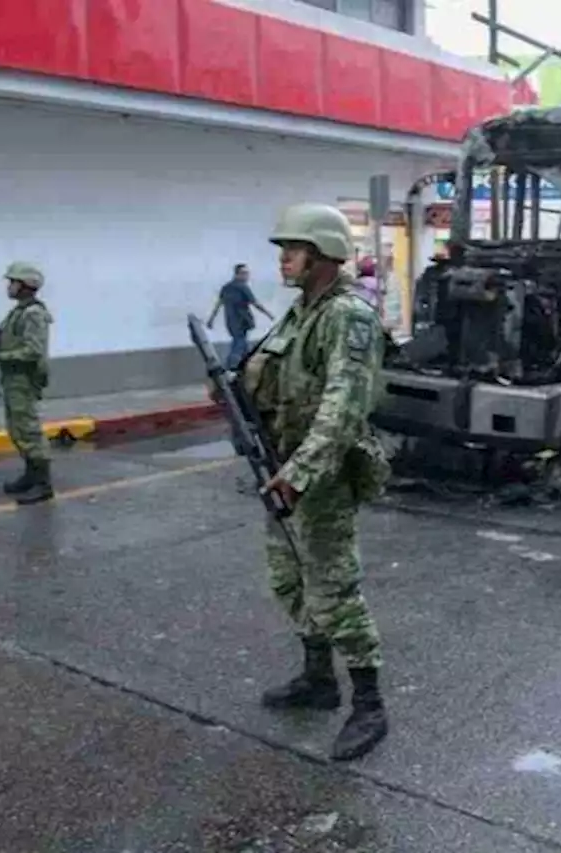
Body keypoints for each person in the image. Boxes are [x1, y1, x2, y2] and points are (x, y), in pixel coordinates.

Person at [239, 203, 392, 762]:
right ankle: (317, 678)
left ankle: (370, 703)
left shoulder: (347, 315)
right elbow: (274, 379)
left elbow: (343, 408)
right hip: (281, 469)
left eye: (293, 249)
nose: (283, 259)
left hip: (317, 477)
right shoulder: (301, 311)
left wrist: (299, 475)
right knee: (290, 581)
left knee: (334, 590)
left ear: (324, 255)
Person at [0, 262, 55, 505]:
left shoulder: (33, 314)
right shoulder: (19, 311)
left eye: (13, 282)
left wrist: (1, 356)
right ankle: (30, 476)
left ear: (26, 286)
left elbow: (33, 351)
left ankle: (43, 484)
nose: (9, 287)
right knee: (17, 428)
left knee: (28, 429)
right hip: (13, 378)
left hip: (24, 379)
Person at [207, 263, 273, 369]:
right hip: (242, 321)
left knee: (243, 346)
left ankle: (244, 366)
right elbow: (256, 303)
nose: (247, 276)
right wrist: (269, 315)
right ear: (237, 274)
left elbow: (219, 304)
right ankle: (228, 367)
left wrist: (211, 319)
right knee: (238, 344)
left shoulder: (226, 287)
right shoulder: (242, 287)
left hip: (231, 322)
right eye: (244, 273)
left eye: (247, 273)